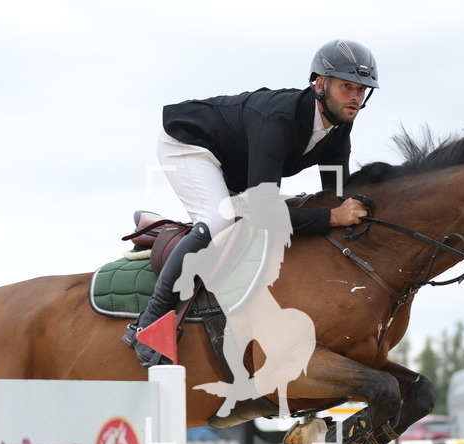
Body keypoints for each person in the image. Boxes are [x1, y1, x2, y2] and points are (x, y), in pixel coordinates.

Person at [122, 39, 380, 366]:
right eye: (347, 87)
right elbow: (266, 211)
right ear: (320, 84)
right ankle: (149, 323)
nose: (356, 97)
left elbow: (337, 194)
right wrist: (331, 217)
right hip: (190, 144)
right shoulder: (281, 120)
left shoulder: (339, 127)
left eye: (362, 89)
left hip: (236, 163)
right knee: (220, 221)